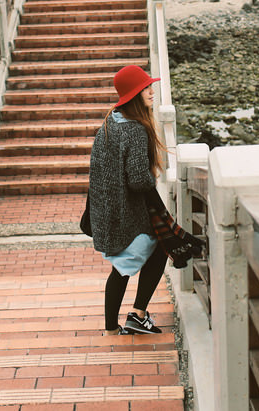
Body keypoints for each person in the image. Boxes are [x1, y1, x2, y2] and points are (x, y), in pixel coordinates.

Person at [88, 65, 168, 335]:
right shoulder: (134, 130)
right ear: (135, 94)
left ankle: (118, 323)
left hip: (109, 212)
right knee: (137, 261)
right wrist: (152, 185)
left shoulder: (110, 122)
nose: (152, 91)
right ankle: (134, 315)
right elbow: (138, 180)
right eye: (146, 87)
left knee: (124, 265)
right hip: (130, 215)